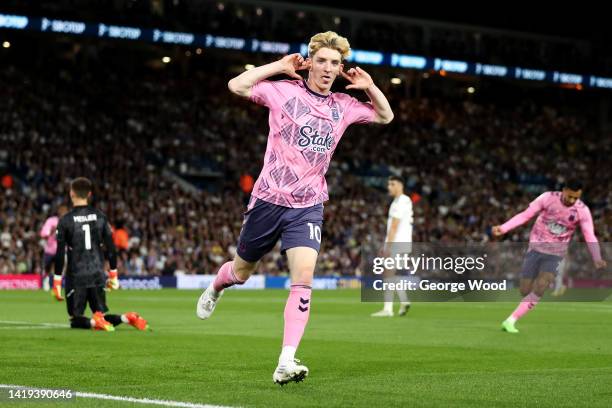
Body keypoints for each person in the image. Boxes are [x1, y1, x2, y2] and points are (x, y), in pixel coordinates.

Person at [196, 31, 394, 385]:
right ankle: (216, 287)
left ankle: (285, 360)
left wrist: (370, 86)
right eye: (321, 61)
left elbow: (385, 116)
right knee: (241, 272)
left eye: (335, 63)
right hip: (268, 200)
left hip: (308, 205)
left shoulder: (343, 106)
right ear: (309, 62)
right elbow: (236, 86)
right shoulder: (283, 91)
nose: (328, 68)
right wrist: (279, 66)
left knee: (303, 278)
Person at [492, 179, 607, 333]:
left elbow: (589, 235)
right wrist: (504, 228)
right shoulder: (547, 198)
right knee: (525, 289)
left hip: (556, 253)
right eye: (570, 196)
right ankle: (521, 307)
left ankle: (510, 321)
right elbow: (525, 215)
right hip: (535, 247)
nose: (572, 200)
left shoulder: (582, 210)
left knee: (541, 286)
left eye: (576, 198)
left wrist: (596, 256)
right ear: (564, 190)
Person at [54, 177, 149, 332]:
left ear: (71, 193)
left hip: (77, 274)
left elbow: (59, 253)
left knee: (75, 318)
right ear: (89, 194)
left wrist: (57, 282)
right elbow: (111, 249)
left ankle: (94, 322)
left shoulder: (66, 220)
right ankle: (127, 318)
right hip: (97, 272)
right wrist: (113, 275)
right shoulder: (100, 216)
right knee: (102, 316)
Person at [371, 176, 413, 317]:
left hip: (397, 243)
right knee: (392, 274)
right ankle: (404, 300)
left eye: (392, 184)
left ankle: (388, 309)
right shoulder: (403, 201)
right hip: (404, 243)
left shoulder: (400, 201)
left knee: (388, 274)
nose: (389, 187)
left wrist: (387, 246)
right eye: (388, 184)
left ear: (400, 185)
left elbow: (394, 226)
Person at [39, 205, 68, 291]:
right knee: (47, 268)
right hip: (50, 250)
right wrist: (51, 231)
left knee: (61, 268)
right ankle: (46, 282)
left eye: (65, 213)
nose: (63, 214)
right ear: (59, 213)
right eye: (62, 212)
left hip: (62, 250)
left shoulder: (68, 222)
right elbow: (43, 234)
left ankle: (59, 285)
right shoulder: (51, 221)